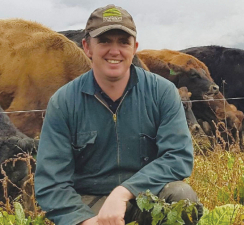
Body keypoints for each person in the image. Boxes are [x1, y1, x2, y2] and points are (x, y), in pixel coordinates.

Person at [34, 4, 202, 225]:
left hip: (146, 196)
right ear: (87, 47)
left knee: (182, 196)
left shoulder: (162, 92)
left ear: (134, 48)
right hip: (89, 203)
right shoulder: (64, 102)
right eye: (104, 41)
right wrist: (83, 221)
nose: (115, 51)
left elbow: (178, 157)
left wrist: (124, 192)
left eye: (123, 42)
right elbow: (51, 183)